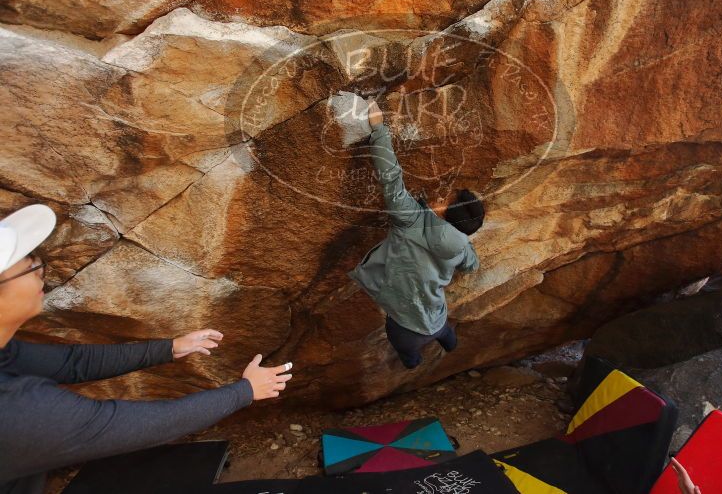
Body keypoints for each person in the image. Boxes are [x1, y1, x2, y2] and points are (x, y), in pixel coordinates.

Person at [0, 204, 293, 494]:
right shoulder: (16, 411)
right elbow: (135, 426)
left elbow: (73, 362)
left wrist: (169, 349)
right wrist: (246, 391)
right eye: (29, 264)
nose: (41, 271)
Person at [348, 99, 485, 369]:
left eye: (447, 198)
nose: (442, 194)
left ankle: (413, 363)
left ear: (446, 210)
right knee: (446, 336)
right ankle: (450, 345)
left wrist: (379, 129)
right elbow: (472, 266)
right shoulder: (462, 247)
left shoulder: (409, 219)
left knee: (410, 357)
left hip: (405, 329)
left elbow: (391, 179)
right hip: (438, 319)